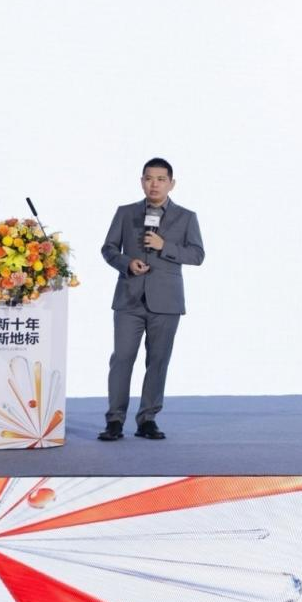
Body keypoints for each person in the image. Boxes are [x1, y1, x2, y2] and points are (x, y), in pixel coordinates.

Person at [99, 158, 205, 438]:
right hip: (129, 298)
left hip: (167, 301)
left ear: (172, 183)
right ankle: (114, 420)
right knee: (122, 358)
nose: (154, 184)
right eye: (148, 178)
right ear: (141, 181)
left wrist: (164, 246)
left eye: (160, 179)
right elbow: (109, 248)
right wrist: (127, 263)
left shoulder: (186, 217)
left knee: (158, 361)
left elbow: (197, 255)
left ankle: (147, 419)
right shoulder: (126, 212)